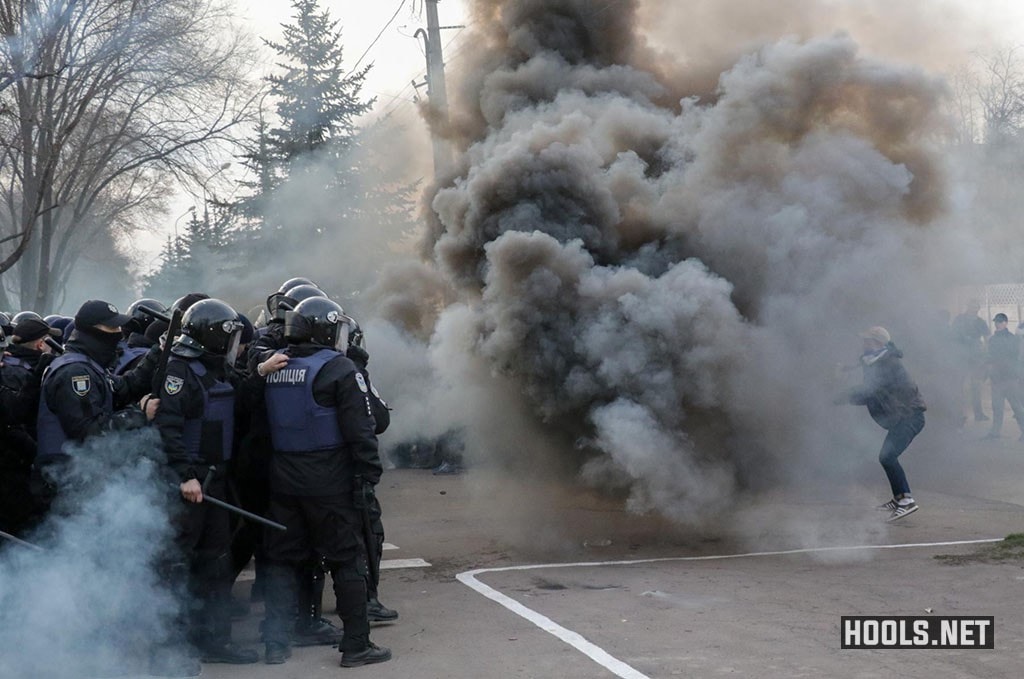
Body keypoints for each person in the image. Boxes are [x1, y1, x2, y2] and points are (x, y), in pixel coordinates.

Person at [259, 296, 391, 667]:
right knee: (347, 560)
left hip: (283, 478)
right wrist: (368, 475)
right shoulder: (338, 369)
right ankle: (356, 645)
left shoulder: (275, 366)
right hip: (329, 480)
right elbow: (361, 430)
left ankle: (275, 643)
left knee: (282, 561)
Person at [150, 298, 258, 673]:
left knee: (216, 562)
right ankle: (167, 651)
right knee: (175, 568)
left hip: (216, 479)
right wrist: (186, 475)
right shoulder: (179, 371)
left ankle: (215, 640)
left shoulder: (216, 369)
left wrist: (260, 371)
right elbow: (169, 427)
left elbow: (242, 397)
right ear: (214, 337)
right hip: (191, 483)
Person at [33, 300, 151, 507]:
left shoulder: (89, 364)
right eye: (112, 327)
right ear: (92, 331)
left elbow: (125, 387)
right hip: (66, 480)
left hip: (82, 477)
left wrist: (159, 353)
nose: (119, 332)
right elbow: (90, 431)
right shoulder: (75, 372)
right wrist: (140, 413)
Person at [836, 326, 926, 521]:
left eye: (867, 340)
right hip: (900, 418)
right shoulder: (876, 361)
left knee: (887, 457)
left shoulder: (889, 364)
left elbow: (871, 390)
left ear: (877, 343)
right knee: (886, 457)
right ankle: (899, 498)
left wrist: (841, 396)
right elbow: (870, 386)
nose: (863, 343)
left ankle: (906, 501)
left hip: (909, 417)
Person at [0, 318, 60, 535]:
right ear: (40, 344)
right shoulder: (15, 372)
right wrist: (37, 454)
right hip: (13, 469)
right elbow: (12, 421)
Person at [984, 313, 1024, 440]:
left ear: (1006, 323)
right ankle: (995, 432)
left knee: (1017, 408)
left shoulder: (1013, 339)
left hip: (1009, 378)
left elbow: (1015, 358)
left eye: (1000, 321)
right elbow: (989, 357)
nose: (998, 324)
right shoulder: (993, 340)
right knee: (997, 407)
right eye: (996, 321)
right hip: (997, 379)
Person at [951, 299, 990, 423]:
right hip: (960, 357)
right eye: (972, 307)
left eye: (976, 308)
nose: (974, 310)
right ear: (967, 307)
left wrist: (984, 354)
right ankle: (959, 414)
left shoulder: (980, 322)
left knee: (976, 386)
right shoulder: (959, 320)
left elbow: (987, 339)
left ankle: (978, 414)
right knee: (959, 386)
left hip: (975, 358)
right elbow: (953, 336)